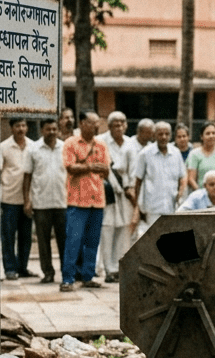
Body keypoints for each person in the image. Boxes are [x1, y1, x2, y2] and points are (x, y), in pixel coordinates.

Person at [60, 111, 109, 292]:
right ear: (81, 123)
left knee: (92, 241)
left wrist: (99, 169)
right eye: (91, 123)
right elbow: (70, 167)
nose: (95, 126)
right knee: (73, 241)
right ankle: (68, 278)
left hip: (97, 200)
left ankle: (88, 276)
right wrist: (90, 167)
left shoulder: (102, 144)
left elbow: (106, 169)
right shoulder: (70, 143)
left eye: (97, 123)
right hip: (77, 200)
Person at [22, 119, 68, 284]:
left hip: (63, 202)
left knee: (65, 241)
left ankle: (67, 272)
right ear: (42, 130)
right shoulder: (33, 149)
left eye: (55, 129)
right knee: (43, 242)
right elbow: (27, 176)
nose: (52, 132)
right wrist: (27, 200)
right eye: (48, 129)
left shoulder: (65, 148)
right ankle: (48, 272)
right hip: (41, 203)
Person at [97, 111, 138, 283]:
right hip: (108, 190)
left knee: (124, 230)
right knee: (107, 230)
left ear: (126, 125)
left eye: (122, 123)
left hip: (126, 191)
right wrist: (115, 183)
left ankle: (121, 267)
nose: (119, 127)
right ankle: (108, 269)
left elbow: (134, 168)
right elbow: (102, 167)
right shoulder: (101, 141)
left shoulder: (131, 143)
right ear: (109, 126)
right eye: (115, 124)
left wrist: (130, 187)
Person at [132, 121, 186, 232]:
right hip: (152, 207)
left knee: (171, 239)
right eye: (160, 134)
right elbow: (138, 181)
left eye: (167, 134)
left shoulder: (176, 153)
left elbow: (183, 176)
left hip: (172, 206)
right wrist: (137, 206)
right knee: (155, 240)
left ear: (171, 136)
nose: (163, 137)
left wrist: (180, 192)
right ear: (154, 135)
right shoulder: (145, 154)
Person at [0, 118, 35, 279]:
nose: (21, 129)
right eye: (17, 126)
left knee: (25, 237)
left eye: (23, 125)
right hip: (9, 198)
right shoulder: (3, 147)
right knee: (8, 236)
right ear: (11, 128)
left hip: (28, 199)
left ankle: (23, 268)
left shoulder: (33, 146)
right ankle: (10, 269)